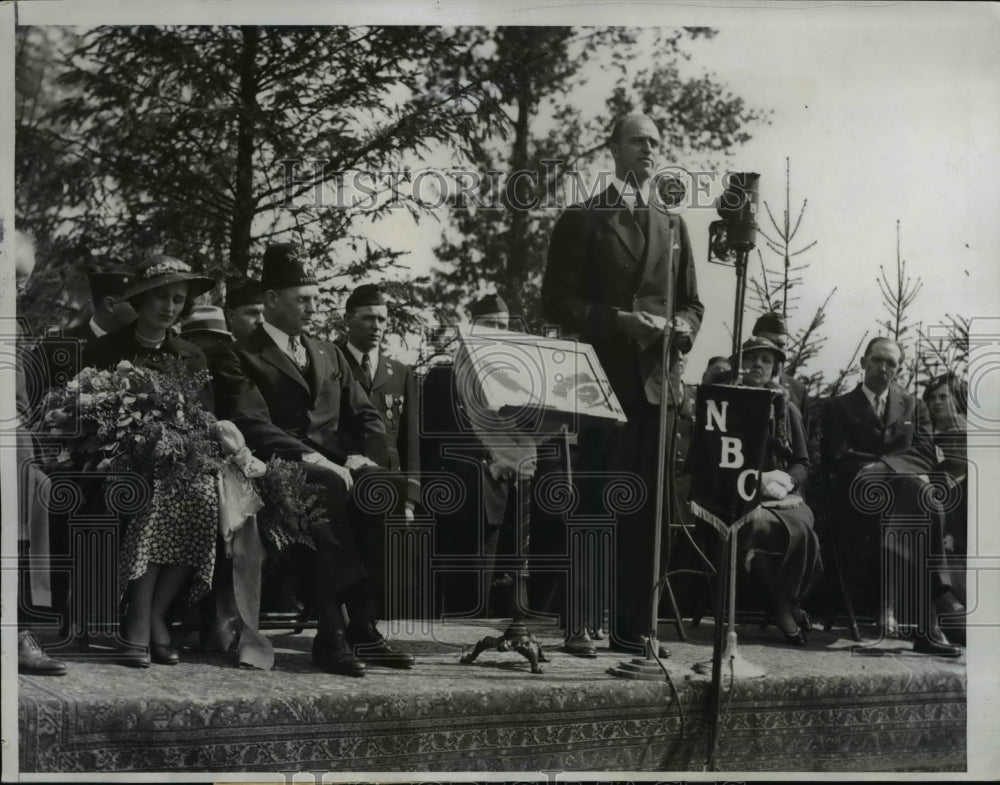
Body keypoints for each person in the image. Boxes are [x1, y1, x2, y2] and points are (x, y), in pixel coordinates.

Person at [210, 243, 414, 676]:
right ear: (271, 300)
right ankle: (331, 632)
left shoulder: (328, 352)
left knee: (384, 486)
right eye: (303, 299)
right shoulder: (238, 352)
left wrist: (364, 460)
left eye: (316, 299)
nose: (313, 308)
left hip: (333, 466)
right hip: (269, 468)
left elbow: (367, 416)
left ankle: (364, 625)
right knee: (325, 484)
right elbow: (251, 423)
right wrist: (315, 457)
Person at [542, 112, 703, 654]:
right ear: (612, 149)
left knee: (648, 509)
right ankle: (582, 620)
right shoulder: (583, 218)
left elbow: (693, 304)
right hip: (600, 380)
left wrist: (684, 329)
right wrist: (617, 321)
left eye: (655, 142)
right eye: (637, 141)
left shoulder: (673, 225)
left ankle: (635, 626)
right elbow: (556, 302)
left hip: (656, 385)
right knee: (594, 497)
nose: (648, 149)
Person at [83, 255, 218, 667]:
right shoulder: (106, 349)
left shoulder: (191, 354)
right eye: (161, 297)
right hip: (117, 459)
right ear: (140, 300)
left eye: (178, 299)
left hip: (179, 460)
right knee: (155, 491)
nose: (169, 307)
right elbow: (88, 414)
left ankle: (155, 613)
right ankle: (140, 620)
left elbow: (204, 419)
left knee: (203, 496)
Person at [822, 337, 963, 656]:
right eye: (877, 360)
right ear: (863, 363)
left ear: (898, 369)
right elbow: (838, 457)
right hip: (859, 503)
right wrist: (886, 471)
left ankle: (921, 621)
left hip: (905, 503)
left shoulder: (913, 406)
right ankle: (932, 612)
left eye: (891, 363)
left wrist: (885, 468)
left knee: (916, 494)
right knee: (922, 495)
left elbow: (927, 452)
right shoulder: (838, 407)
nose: (883, 368)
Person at [734, 337, 823, 644]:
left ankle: (784, 602)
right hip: (740, 491)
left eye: (766, 360)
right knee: (760, 526)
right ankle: (784, 605)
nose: (758, 364)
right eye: (752, 357)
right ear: (740, 362)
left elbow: (802, 462)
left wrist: (787, 482)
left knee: (802, 528)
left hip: (784, 494)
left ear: (774, 368)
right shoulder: (727, 402)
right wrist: (758, 479)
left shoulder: (785, 408)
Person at [15, 230, 68, 676]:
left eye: (23, 280)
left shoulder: (12, 328)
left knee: (35, 488)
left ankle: (19, 628)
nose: (18, 289)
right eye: (9, 277)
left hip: (9, 444)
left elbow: (18, 404)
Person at [335, 284, 420, 523]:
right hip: (345, 483)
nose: (376, 326)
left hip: (390, 487)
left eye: (382, 319)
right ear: (347, 320)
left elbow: (410, 440)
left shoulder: (400, 373)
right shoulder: (330, 364)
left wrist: (410, 499)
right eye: (368, 318)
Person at [922, 372, 968, 633]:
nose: (955, 446)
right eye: (932, 398)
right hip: (943, 566)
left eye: (962, 441)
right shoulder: (932, 475)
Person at [752, 312, 809, 433]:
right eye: (767, 342)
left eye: (780, 345)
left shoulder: (798, 390)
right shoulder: (732, 380)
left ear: (787, 345)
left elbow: (802, 436)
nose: (775, 350)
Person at [224, 276, 265, 342]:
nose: (261, 321)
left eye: (265, 314)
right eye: (252, 313)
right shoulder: (217, 348)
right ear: (231, 316)